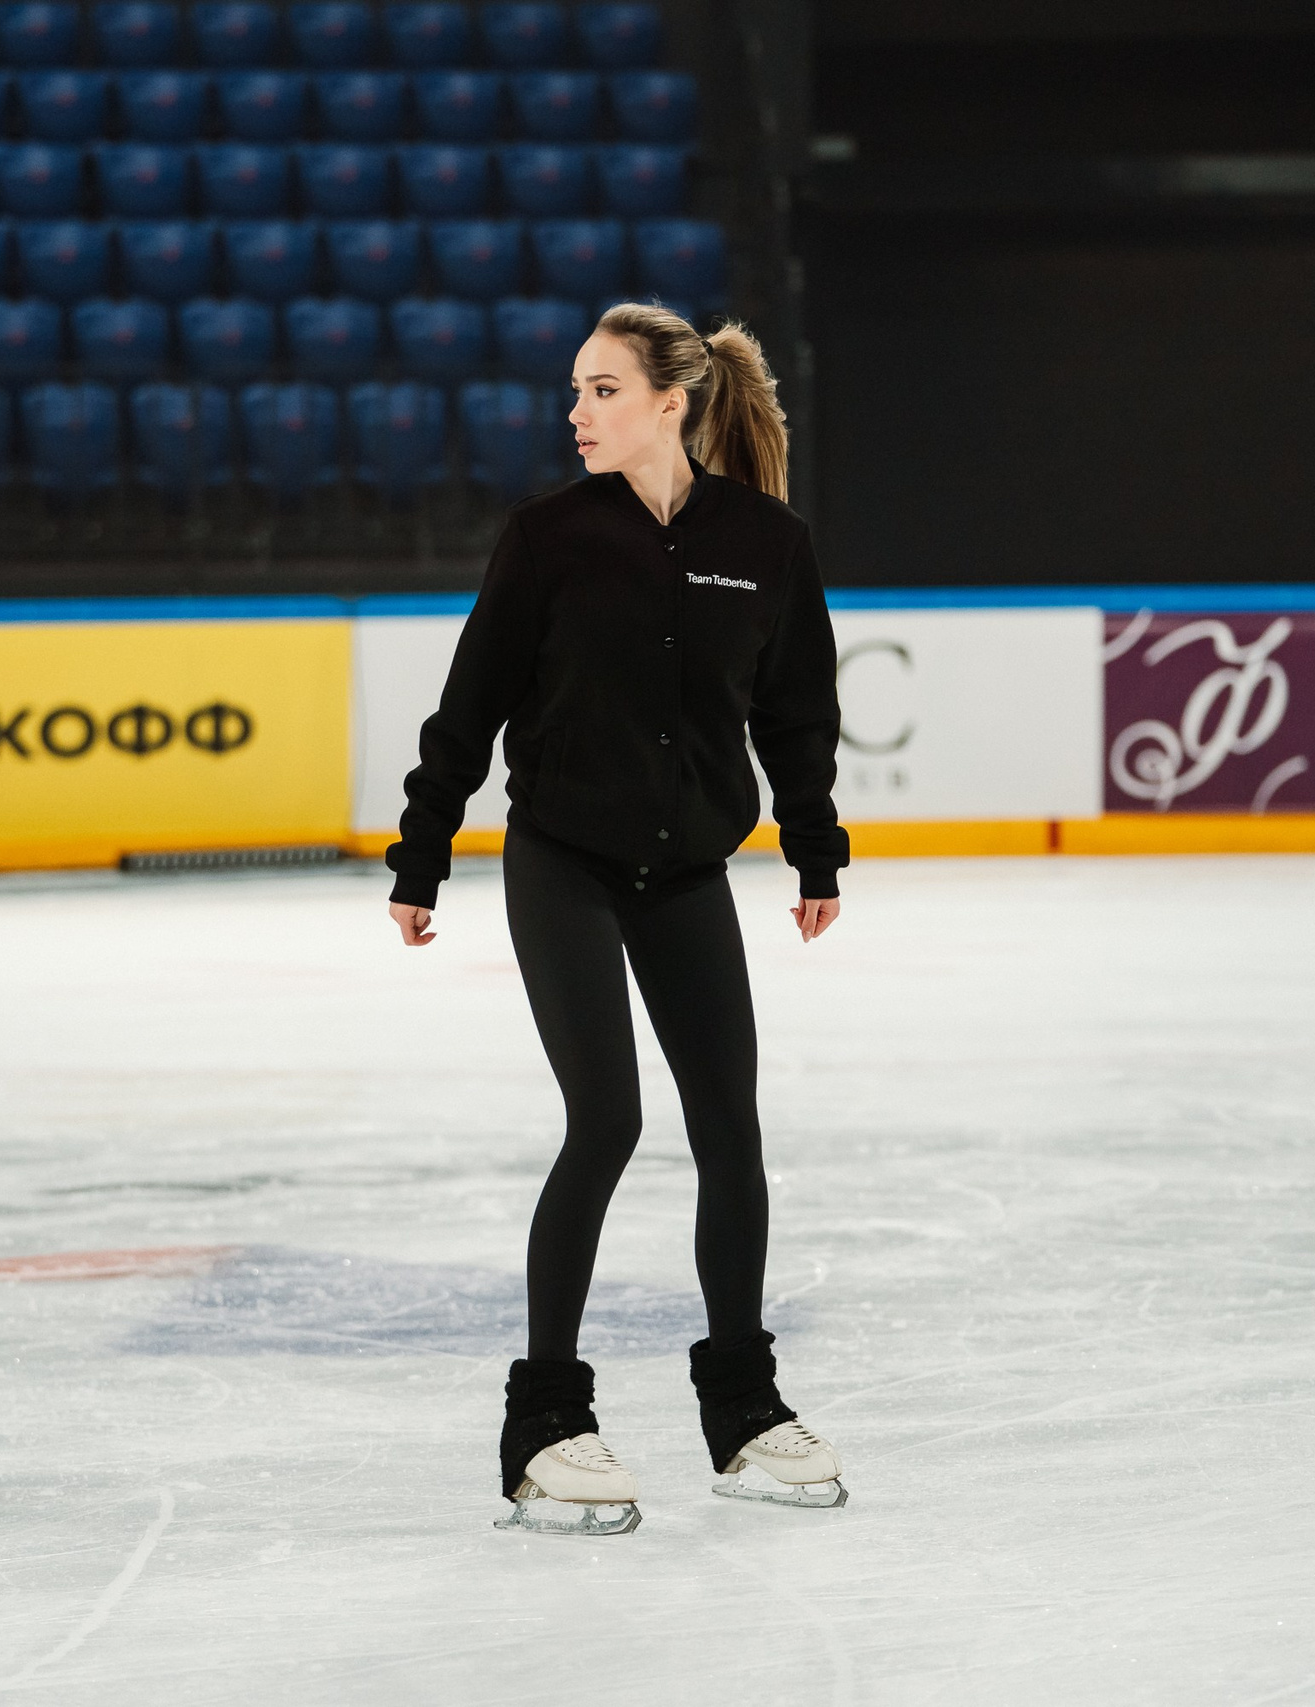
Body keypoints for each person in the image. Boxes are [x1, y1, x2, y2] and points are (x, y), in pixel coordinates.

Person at [386, 305, 853, 1536]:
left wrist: (815, 848)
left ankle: (743, 1411)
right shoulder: (547, 538)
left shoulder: (765, 542)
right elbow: (469, 704)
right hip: (564, 863)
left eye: (600, 391)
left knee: (729, 1130)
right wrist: (421, 854)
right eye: (575, 394)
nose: (576, 413)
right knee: (607, 1119)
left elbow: (796, 714)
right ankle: (544, 1423)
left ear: (671, 403)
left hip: (689, 872)